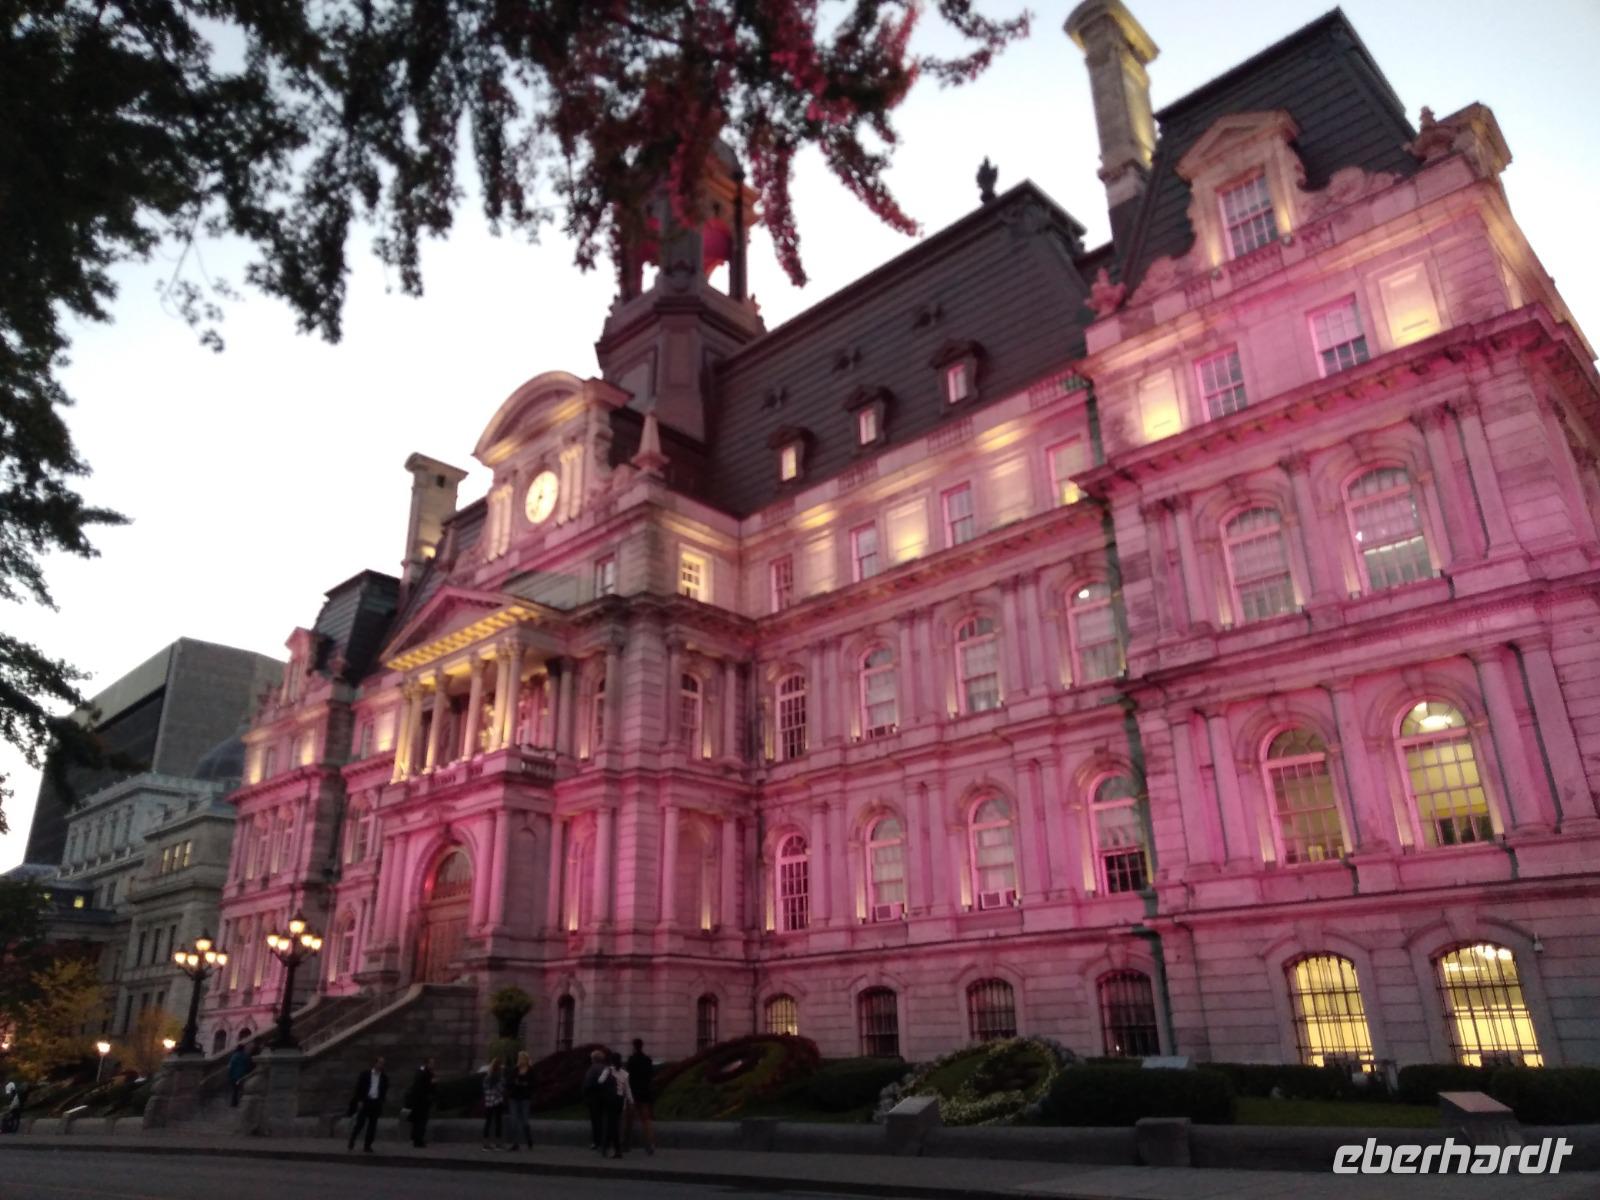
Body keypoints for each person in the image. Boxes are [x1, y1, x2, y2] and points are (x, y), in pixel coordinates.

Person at [347, 1055, 388, 1153]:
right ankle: (352, 1140)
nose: (381, 1065)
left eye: (383, 1063)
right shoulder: (365, 1074)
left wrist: (381, 1100)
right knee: (360, 1123)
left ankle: (367, 1145)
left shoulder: (384, 1077)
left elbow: (384, 1089)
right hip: (366, 1101)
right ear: (375, 1063)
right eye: (379, 1063)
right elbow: (359, 1088)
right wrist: (360, 1100)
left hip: (376, 1102)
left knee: (372, 1125)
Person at [623, 1038, 655, 1155]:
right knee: (646, 1120)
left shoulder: (631, 1060)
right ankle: (650, 1145)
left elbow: (628, 1077)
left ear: (634, 1047)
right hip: (645, 1093)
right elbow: (650, 1076)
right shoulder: (647, 1060)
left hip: (633, 1093)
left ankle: (626, 1144)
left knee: (628, 1120)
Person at [600, 1050, 632, 1160]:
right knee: (614, 1124)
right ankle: (609, 1148)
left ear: (611, 1061)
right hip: (619, 1102)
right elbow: (627, 1089)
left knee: (611, 1125)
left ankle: (614, 1149)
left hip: (610, 1101)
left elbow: (600, 1081)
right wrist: (631, 1101)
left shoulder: (608, 1070)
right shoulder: (625, 1073)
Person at [580, 1048, 609, 1152]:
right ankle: (605, 1141)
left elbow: (587, 1084)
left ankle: (596, 1142)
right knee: (604, 1119)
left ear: (594, 1059)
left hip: (594, 1098)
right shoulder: (606, 1068)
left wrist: (585, 1095)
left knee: (596, 1121)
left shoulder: (592, 1069)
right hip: (605, 1097)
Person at [403, 1057, 436, 1148]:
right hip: (421, 1102)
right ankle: (418, 1140)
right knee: (420, 1122)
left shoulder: (425, 1072)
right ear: (427, 1063)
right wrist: (432, 1083)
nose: (433, 1065)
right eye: (431, 1063)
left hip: (421, 1101)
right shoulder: (423, 1073)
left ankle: (416, 1139)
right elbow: (422, 1087)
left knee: (419, 1121)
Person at [505, 1050, 534, 1151]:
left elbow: (534, 1083)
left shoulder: (531, 1070)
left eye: (523, 1058)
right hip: (514, 1098)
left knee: (525, 1121)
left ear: (526, 1059)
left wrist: (526, 1085)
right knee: (514, 1121)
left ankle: (528, 1138)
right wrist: (515, 1083)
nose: (521, 1060)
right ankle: (515, 1144)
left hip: (525, 1098)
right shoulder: (515, 1070)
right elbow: (508, 1082)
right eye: (519, 1058)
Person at [481, 1057, 507, 1150]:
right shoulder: (500, 1077)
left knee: (488, 1122)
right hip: (497, 1101)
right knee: (498, 1122)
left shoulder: (487, 1077)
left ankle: (485, 1144)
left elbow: (485, 1089)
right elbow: (501, 1090)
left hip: (489, 1102)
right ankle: (498, 1144)